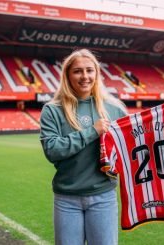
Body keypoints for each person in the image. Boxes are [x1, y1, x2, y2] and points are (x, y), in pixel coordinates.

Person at [40, 48, 127, 245]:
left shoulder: (115, 108)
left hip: (103, 196)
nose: (85, 76)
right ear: (68, 75)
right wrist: (92, 131)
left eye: (90, 70)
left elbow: (131, 148)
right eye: (78, 71)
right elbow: (52, 150)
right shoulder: (53, 109)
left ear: (97, 73)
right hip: (67, 198)